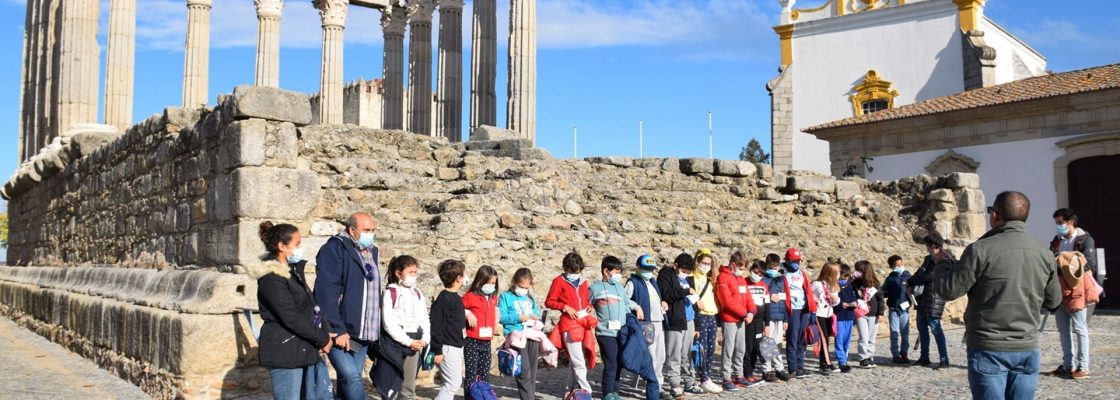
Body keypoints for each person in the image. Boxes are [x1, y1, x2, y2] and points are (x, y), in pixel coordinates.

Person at [931, 191, 1062, 400]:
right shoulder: (1044, 253)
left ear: (995, 216)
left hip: (989, 346)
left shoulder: (980, 250)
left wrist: (942, 265)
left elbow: (949, 290)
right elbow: (1054, 301)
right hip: (1027, 345)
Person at [254, 222, 331, 400]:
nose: (300, 248)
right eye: (297, 244)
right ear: (281, 246)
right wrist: (321, 338)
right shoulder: (272, 277)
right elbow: (290, 316)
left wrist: (325, 330)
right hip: (286, 352)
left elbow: (312, 306)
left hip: (301, 348)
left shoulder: (292, 272)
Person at [313, 213, 380, 400]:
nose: (371, 234)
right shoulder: (335, 248)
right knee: (351, 377)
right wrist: (336, 327)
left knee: (348, 379)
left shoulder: (373, 251)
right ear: (352, 230)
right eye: (367, 230)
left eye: (373, 230)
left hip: (363, 333)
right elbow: (326, 291)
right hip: (340, 331)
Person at [377, 256, 430, 400]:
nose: (414, 275)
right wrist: (408, 341)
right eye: (410, 272)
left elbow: (424, 318)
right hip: (395, 343)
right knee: (391, 382)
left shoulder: (417, 293)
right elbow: (388, 323)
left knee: (408, 386)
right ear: (398, 273)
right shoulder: (390, 293)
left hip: (415, 342)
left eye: (415, 272)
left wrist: (424, 339)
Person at [545, 252, 595, 395]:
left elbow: (585, 300)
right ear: (566, 269)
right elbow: (549, 301)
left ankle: (570, 390)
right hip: (569, 325)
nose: (576, 274)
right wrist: (564, 307)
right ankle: (587, 391)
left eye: (578, 272)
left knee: (575, 360)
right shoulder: (558, 281)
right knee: (579, 362)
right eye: (573, 272)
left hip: (583, 322)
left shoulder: (583, 281)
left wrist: (589, 307)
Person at [1048, 251, 1096, 380]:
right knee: (1066, 331)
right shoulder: (1062, 264)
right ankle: (1069, 365)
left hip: (1075, 298)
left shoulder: (1075, 265)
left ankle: (1083, 367)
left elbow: (1067, 288)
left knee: (1079, 330)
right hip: (1063, 299)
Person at [590, 256, 633, 400]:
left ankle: (615, 391)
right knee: (611, 362)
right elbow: (586, 305)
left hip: (621, 332)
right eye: (616, 271)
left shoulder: (620, 288)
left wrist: (637, 309)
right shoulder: (595, 288)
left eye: (620, 272)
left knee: (619, 362)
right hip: (605, 332)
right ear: (606, 271)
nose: (619, 275)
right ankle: (607, 392)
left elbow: (627, 305)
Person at [659, 253, 701, 397]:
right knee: (674, 354)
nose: (685, 274)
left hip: (689, 320)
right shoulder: (666, 274)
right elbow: (666, 293)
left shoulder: (687, 278)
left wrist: (697, 323)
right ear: (675, 265)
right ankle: (675, 383)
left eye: (687, 272)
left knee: (687, 354)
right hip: (675, 320)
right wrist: (685, 291)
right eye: (683, 271)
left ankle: (690, 381)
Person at [908, 232, 951, 369]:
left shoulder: (944, 260)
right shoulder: (928, 259)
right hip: (922, 299)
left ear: (935, 246)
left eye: (929, 246)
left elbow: (928, 276)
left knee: (936, 330)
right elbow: (919, 273)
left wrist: (910, 281)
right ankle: (924, 357)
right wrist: (910, 281)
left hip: (934, 299)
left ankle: (944, 359)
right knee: (922, 329)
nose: (927, 249)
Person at [498, 268, 543, 399]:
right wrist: (518, 317)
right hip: (516, 338)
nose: (523, 290)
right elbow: (501, 317)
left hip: (532, 336)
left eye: (526, 287)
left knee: (532, 374)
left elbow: (537, 314)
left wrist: (535, 317)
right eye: (521, 287)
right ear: (514, 282)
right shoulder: (505, 297)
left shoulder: (530, 297)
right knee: (524, 373)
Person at [715, 250, 757, 392]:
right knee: (728, 349)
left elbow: (749, 297)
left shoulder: (740, 279)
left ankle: (738, 375)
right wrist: (744, 313)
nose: (742, 271)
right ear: (733, 265)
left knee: (740, 348)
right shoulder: (723, 278)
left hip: (742, 319)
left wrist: (751, 311)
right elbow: (727, 301)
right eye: (740, 268)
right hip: (730, 319)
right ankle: (726, 377)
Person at [1050, 208, 1101, 320]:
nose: (1058, 226)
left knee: (1079, 326)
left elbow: (1090, 264)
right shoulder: (1057, 240)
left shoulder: (1085, 240)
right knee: (1062, 327)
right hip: (1061, 286)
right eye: (1056, 223)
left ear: (1071, 221)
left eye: (1060, 223)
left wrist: (1070, 271)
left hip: (1078, 286)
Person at [430, 260, 467, 400]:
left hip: (456, 346)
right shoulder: (443, 299)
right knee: (453, 383)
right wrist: (437, 351)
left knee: (451, 382)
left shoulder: (456, 297)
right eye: (463, 275)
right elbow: (436, 326)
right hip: (447, 348)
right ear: (458, 278)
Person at [627, 255, 666, 386]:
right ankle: (653, 384)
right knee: (651, 356)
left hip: (659, 322)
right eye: (645, 269)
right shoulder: (633, 282)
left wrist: (663, 303)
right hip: (646, 324)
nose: (648, 272)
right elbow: (625, 300)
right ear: (638, 268)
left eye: (651, 269)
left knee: (661, 356)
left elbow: (656, 299)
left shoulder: (653, 282)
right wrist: (636, 307)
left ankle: (658, 381)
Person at [462, 265, 500, 394]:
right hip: (472, 341)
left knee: (484, 373)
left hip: (486, 341)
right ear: (480, 281)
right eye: (488, 282)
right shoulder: (470, 296)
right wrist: (467, 313)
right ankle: (470, 397)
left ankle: (482, 395)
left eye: (493, 283)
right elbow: (457, 308)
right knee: (471, 374)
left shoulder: (493, 298)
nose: (491, 285)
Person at [782, 248, 818, 379]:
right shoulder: (783, 274)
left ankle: (800, 366)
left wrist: (812, 310)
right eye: (794, 261)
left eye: (798, 261)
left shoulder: (802, 274)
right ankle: (793, 368)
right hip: (792, 310)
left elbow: (808, 291)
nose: (797, 263)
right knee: (792, 339)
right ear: (788, 260)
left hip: (804, 309)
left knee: (802, 339)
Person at [692, 249, 723, 394]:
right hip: (701, 316)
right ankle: (702, 377)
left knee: (711, 348)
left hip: (712, 316)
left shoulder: (710, 279)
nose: (705, 266)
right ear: (697, 262)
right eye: (703, 263)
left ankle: (706, 376)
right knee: (702, 349)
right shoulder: (693, 278)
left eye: (708, 264)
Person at [761, 253, 790, 382]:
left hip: (780, 315)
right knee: (768, 344)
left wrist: (786, 319)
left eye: (776, 267)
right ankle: (767, 370)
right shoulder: (763, 279)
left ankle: (779, 368)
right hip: (769, 316)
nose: (774, 270)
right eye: (772, 267)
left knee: (778, 344)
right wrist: (770, 296)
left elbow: (785, 299)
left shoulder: (782, 279)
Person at [743, 260, 770, 386]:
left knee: (756, 347)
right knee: (747, 347)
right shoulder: (744, 282)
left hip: (759, 321)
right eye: (755, 272)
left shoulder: (764, 286)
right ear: (751, 269)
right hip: (748, 320)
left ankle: (751, 371)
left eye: (760, 274)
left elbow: (768, 306)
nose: (757, 276)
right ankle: (746, 373)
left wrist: (767, 324)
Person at [853, 260, 884, 369]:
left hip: (873, 314)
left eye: (859, 270)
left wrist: (880, 313)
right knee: (864, 336)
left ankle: (870, 356)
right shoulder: (855, 283)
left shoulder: (875, 284)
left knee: (871, 337)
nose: (857, 272)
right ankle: (863, 358)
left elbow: (880, 299)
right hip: (861, 313)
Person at [881, 255, 912, 364]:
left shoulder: (908, 276)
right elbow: (883, 291)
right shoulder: (890, 278)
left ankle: (904, 353)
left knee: (905, 333)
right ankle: (895, 354)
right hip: (893, 309)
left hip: (905, 309)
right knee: (894, 333)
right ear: (891, 267)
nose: (900, 266)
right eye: (897, 265)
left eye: (901, 264)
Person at [810, 261, 840, 374]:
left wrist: (835, 299)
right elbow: (808, 294)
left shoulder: (833, 286)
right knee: (823, 339)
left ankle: (827, 361)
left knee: (828, 338)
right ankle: (824, 364)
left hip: (829, 314)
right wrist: (814, 299)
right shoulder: (817, 284)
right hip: (820, 314)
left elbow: (836, 303)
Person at [835, 264, 857, 373]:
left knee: (846, 341)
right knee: (839, 340)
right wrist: (841, 305)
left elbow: (854, 297)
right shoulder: (834, 286)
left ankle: (845, 357)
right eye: (843, 277)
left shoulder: (850, 285)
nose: (845, 279)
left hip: (849, 316)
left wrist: (854, 303)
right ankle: (841, 361)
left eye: (847, 277)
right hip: (839, 316)